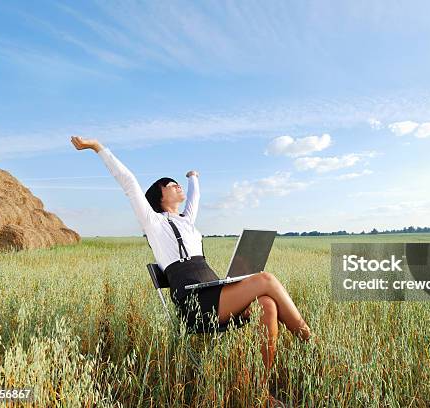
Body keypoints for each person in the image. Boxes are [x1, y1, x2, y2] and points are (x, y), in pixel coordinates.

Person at [70, 136, 314, 405]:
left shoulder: (187, 221)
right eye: (170, 185)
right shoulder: (153, 222)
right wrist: (97, 147)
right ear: (159, 196)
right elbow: (128, 182)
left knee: (267, 304)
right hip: (195, 304)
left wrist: (192, 177)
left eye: (177, 184)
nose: (176, 186)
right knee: (266, 279)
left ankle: (261, 389)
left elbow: (194, 198)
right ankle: (308, 340)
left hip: (215, 292)